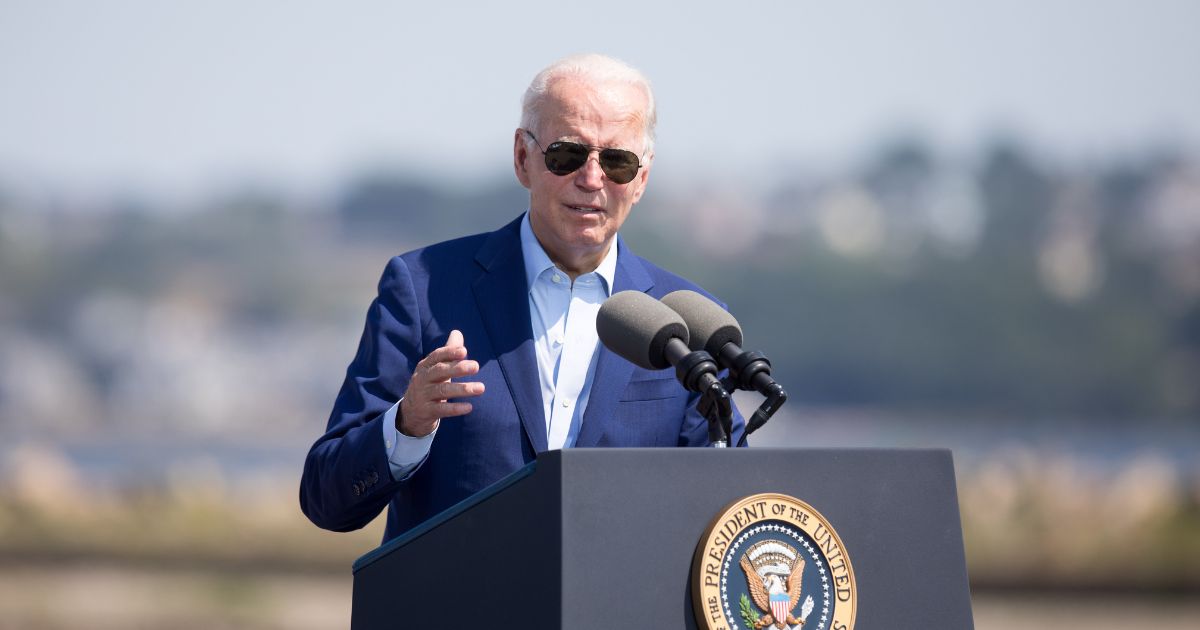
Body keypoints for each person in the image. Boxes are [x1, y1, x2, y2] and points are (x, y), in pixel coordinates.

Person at [300, 54, 745, 542]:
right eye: (567, 155)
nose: (592, 179)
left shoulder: (687, 320)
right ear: (522, 158)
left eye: (617, 161)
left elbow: (727, 511)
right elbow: (328, 498)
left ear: (641, 179)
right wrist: (407, 423)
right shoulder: (423, 287)